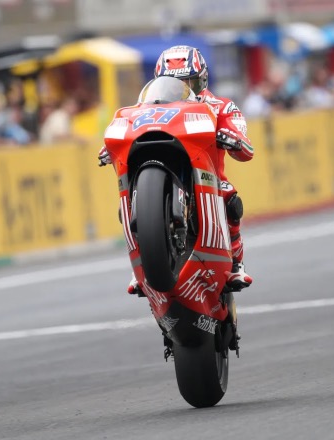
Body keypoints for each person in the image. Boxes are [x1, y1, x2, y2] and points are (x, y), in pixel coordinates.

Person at [99, 45, 254, 293]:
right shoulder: (145, 109)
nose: (182, 89)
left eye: (189, 83)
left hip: (206, 178)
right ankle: (142, 263)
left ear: (202, 80)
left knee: (229, 196)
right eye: (174, 83)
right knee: (127, 202)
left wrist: (232, 137)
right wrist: (111, 147)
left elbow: (245, 150)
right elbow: (126, 130)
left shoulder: (222, 106)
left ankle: (236, 263)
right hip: (158, 167)